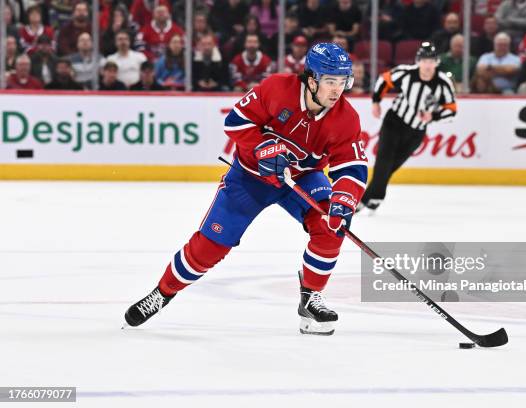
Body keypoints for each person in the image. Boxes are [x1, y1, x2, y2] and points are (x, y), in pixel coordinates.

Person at [124, 43, 367, 336]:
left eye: (343, 82)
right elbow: (235, 122)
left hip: (303, 179)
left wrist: (343, 201)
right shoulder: (277, 88)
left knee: (330, 225)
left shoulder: (345, 118)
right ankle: (162, 293)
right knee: (209, 247)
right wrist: (264, 147)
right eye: (330, 81)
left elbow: (351, 166)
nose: (336, 90)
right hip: (250, 179)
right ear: (311, 79)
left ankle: (311, 297)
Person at [358, 42, 456, 212]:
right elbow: (384, 80)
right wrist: (376, 102)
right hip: (394, 122)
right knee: (384, 161)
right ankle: (369, 198)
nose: (427, 65)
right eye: (424, 60)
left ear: (436, 62)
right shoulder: (406, 72)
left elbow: (452, 110)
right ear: (418, 61)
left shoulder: (443, 82)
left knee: (393, 164)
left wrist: (433, 116)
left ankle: (373, 196)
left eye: (431, 61)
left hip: (416, 131)